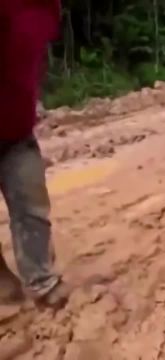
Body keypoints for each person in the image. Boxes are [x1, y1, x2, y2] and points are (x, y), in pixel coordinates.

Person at [0, 0, 69, 308]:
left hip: (16, 129)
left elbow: (28, 57)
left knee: (31, 205)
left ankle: (42, 281)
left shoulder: (47, 9)